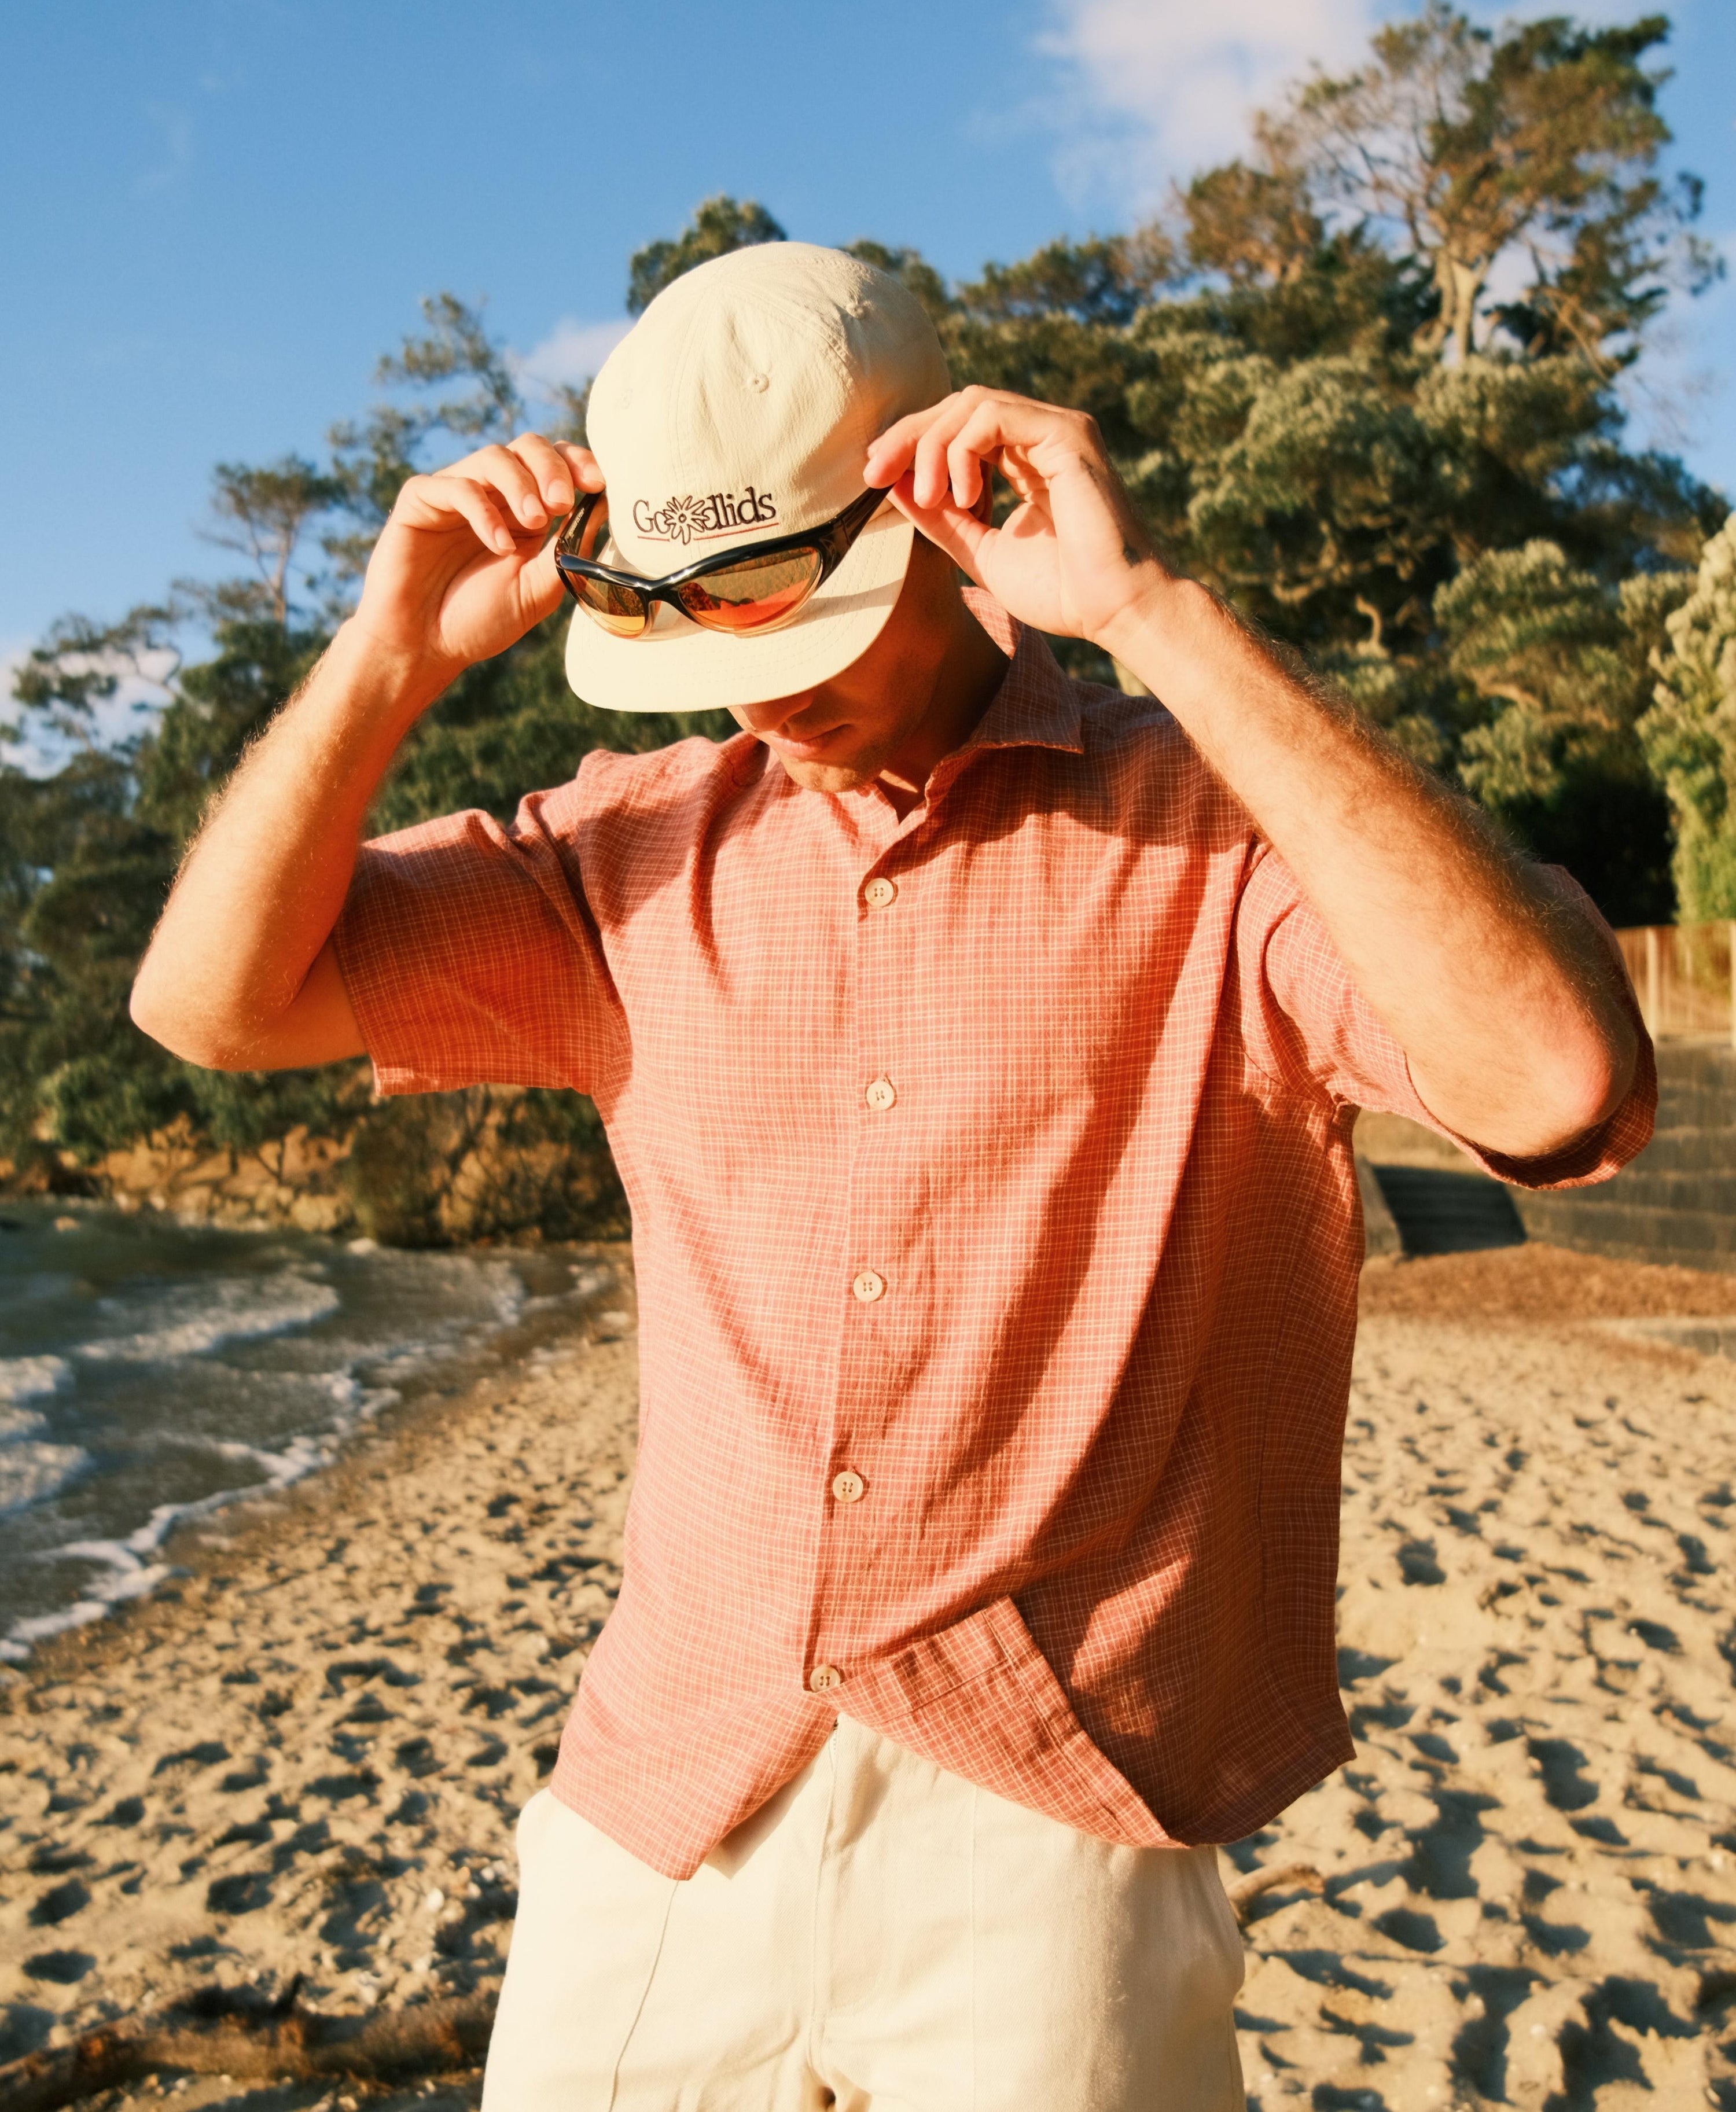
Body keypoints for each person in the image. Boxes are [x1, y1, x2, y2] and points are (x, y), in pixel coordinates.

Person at [131, 242, 1651, 2111]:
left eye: (797, 612)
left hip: (1060, 1819)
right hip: (667, 1799)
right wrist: (382, 663)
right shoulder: (622, 854)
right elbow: (211, 1007)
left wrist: (1157, 611)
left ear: (942, 501)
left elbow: (1566, 1087)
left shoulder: (1218, 832)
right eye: (698, 629)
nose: (761, 695)